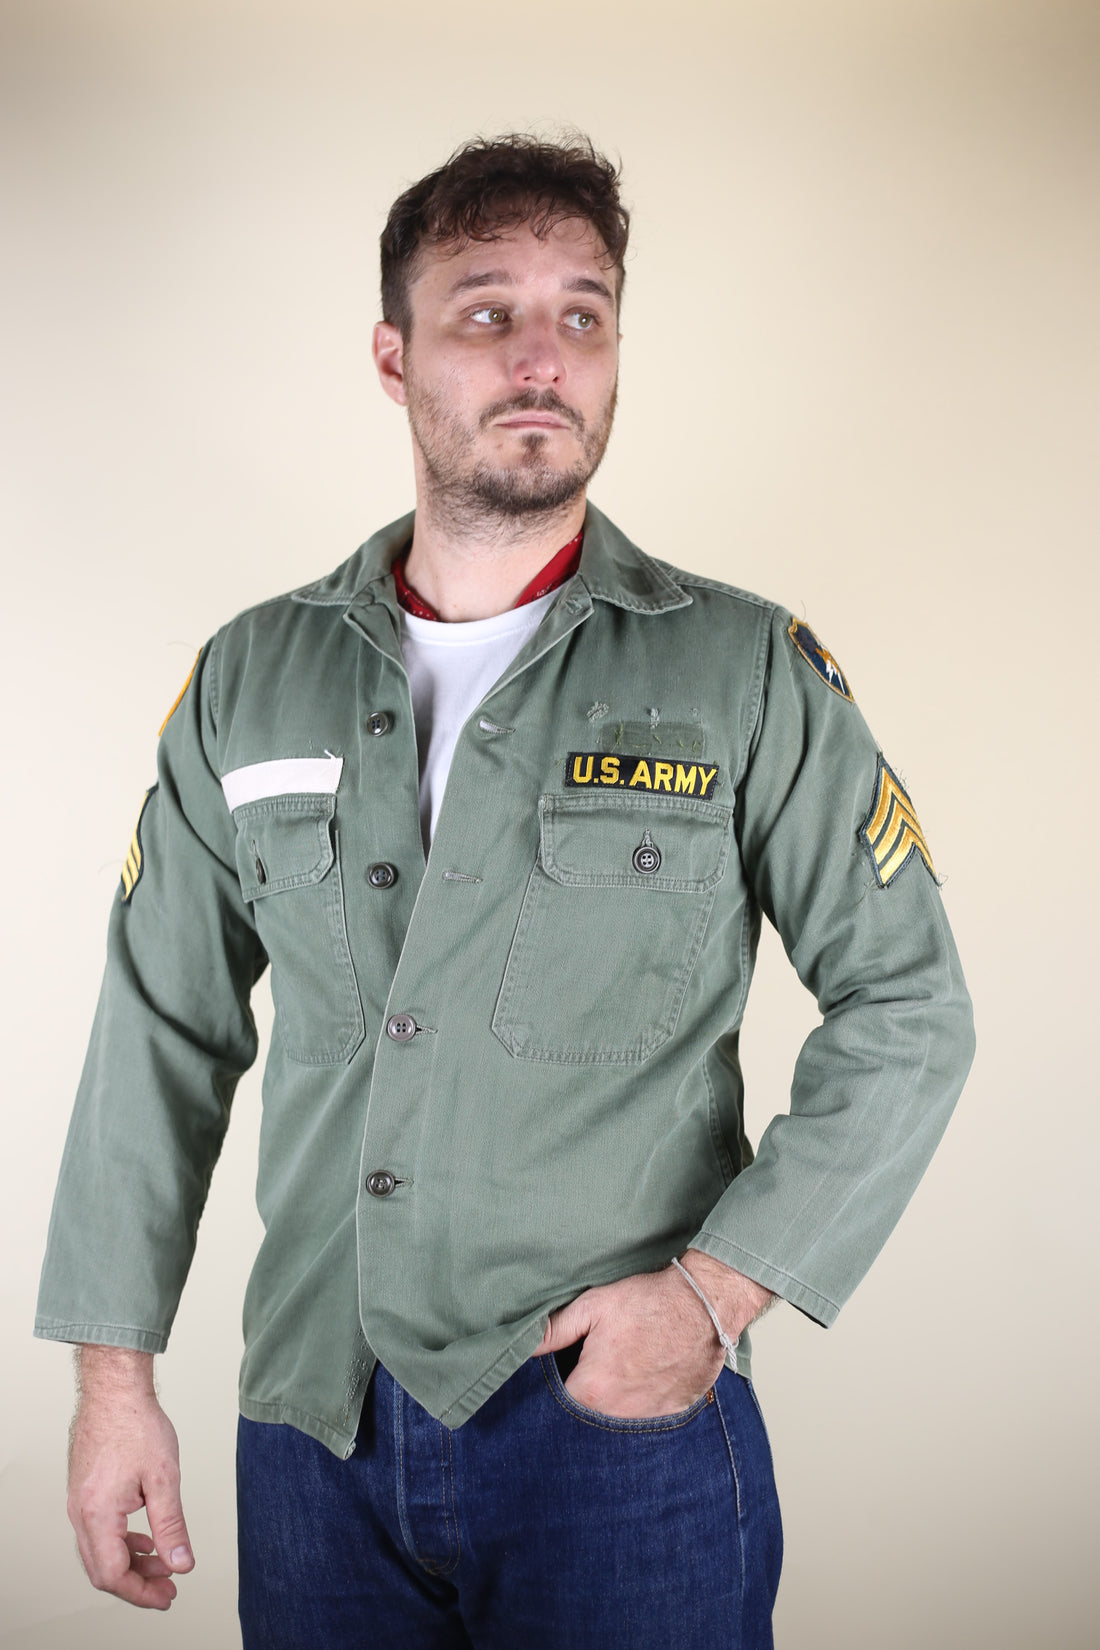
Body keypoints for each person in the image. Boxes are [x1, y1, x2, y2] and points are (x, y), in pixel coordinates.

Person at [36, 133, 974, 1649]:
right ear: (394, 358)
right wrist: (112, 1381)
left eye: (583, 316)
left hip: (618, 1436)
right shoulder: (248, 678)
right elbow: (157, 1033)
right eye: (488, 312)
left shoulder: (743, 670)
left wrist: (716, 1296)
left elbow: (910, 1004)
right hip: (314, 1431)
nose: (544, 357)